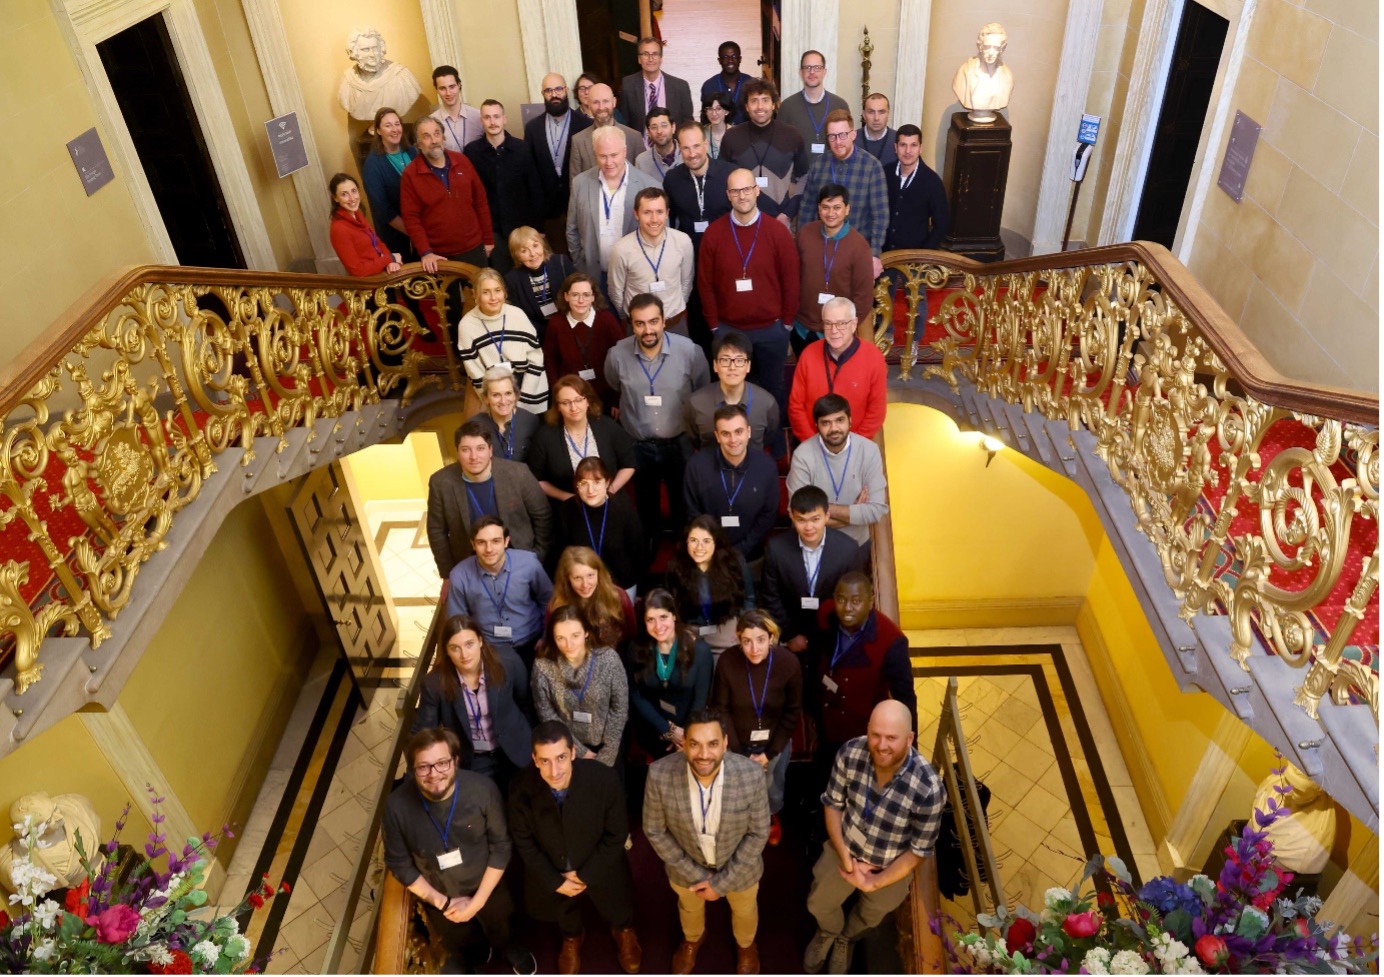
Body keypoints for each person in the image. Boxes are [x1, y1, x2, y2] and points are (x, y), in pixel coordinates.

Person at [803, 701, 943, 976]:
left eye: (892, 737)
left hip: (890, 865)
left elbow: (918, 851)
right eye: (876, 735)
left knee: (872, 914)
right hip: (844, 848)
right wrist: (846, 859)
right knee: (818, 902)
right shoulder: (850, 752)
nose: (881, 745)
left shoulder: (928, 788)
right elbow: (832, 805)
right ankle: (829, 932)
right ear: (867, 729)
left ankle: (847, 938)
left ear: (909, 738)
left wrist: (874, 881)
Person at [382, 728, 535, 975]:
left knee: (502, 925)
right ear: (412, 770)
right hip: (440, 897)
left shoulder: (483, 789)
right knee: (459, 938)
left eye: (442, 763)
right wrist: (443, 902)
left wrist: (477, 902)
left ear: (455, 761)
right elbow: (399, 864)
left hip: (487, 886)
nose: (434, 774)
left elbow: (501, 846)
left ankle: (507, 946)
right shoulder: (396, 807)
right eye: (424, 767)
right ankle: (476, 953)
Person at [508, 721, 642, 975]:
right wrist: (556, 881)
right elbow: (524, 843)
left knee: (619, 901)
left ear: (573, 753)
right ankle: (572, 936)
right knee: (561, 908)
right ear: (534, 759)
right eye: (545, 761)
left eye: (560, 757)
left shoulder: (604, 779)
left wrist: (584, 875)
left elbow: (615, 836)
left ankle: (623, 928)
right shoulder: (519, 787)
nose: (554, 770)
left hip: (599, 862)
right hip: (553, 866)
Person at [642, 707, 769, 975]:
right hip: (685, 870)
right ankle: (693, 938)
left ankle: (746, 945)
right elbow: (654, 829)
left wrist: (721, 883)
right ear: (683, 744)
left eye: (712, 744)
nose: (703, 754)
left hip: (741, 870)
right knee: (689, 908)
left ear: (725, 742)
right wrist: (698, 875)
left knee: (745, 911)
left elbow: (758, 833)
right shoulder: (658, 774)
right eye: (695, 744)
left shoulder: (752, 775)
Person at [604, 293, 710, 537]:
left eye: (653, 322)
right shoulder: (617, 355)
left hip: (679, 442)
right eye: (640, 323)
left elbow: (701, 391)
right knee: (645, 506)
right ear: (632, 324)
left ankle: (684, 550)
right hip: (638, 445)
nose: (647, 330)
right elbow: (614, 384)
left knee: (683, 505)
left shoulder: (690, 352)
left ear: (664, 321)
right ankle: (649, 549)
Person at [696, 169, 800, 417]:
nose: (742, 196)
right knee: (733, 392)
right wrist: (713, 326)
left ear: (756, 191)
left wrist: (785, 324)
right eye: (735, 191)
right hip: (729, 330)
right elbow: (705, 284)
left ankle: (774, 444)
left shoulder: (777, 232)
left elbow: (791, 281)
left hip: (771, 330)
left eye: (746, 190)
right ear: (728, 195)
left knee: (774, 388)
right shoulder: (714, 234)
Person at [711, 611, 803, 840]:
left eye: (761, 640)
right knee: (738, 787)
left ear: (771, 637)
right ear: (738, 638)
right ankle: (742, 821)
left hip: (775, 742)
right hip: (737, 741)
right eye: (747, 641)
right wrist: (741, 753)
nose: (754, 648)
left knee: (772, 784)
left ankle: (772, 815)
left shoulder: (788, 663)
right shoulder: (727, 661)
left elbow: (792, 711)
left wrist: (769, 754)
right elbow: (721, 708)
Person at [413, 614, 533, 789]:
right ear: (446, 651)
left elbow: (526, 702)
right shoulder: (434, 683)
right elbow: (423, 733)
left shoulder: (507, 661)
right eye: (455, 648)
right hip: (472, 759)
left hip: (514, 748)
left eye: (469, 644)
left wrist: (529, 738)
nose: (464, 655)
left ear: (480, 641)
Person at [809, 572, 918, 763]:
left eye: (856, 601)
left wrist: (909, 752)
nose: (847, 608)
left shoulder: (891, 640)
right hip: (826, 724)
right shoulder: (826, 615)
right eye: (841, 600)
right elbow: (814, 659)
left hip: (862, 731)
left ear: (871, 602)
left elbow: (905, 699)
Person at [426, 420, 552, 576]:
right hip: (471, 568)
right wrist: (447, 575)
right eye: (466, 450)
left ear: (490, 450)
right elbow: (436, 531)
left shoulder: (519, 473)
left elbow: (543, 516)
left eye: (480, 449)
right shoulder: (440, 482)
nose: (474, 457)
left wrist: (536, 558)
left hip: (520, 561)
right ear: (457, 452)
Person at [761, 486, 863, 657]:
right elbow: (770, 596)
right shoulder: (776, 548)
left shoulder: (848, 549)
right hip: (790, 632)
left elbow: (853, 599)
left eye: (815, 519)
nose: (809, 527)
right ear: (792, 517)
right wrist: (790, 634)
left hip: (834, 634)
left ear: (827, 516)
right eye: (801, 520)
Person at [786, 393, 889, 550]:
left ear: (850, 420)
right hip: (815, 546)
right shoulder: (803, 454)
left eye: (839, 420)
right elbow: (799, 514)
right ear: (817, 425)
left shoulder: (869, 450)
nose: (834, 428)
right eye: (826, 423)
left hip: (857, 546)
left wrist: (823, 509)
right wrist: (853, 513)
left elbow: (876, 511)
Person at [447, 516, 554, 666]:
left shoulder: (529, 563)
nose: (489, 549)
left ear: (506, 541)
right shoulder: (459, 575)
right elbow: (457, 622)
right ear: (473, 544)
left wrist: (546, 637)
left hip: (533, 644)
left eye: (495, 541)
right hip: (489, 651)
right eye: (481, 542)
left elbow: (549, 601)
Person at [531, 605, 629, 768]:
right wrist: (580, 751)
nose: (569, 644)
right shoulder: (543, 667)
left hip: (609, 745)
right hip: (567, 749)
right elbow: (547, 714)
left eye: (575, 635)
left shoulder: (608, 659)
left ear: (586, 633)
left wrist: (608, 753)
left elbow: (620, 708)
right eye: (560, 638)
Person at [683, 404, 780, 561]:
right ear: (717, 436)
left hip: (752, 553)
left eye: (738, 432)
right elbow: (692, 511)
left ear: (748, 432)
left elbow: (768, 514)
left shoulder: (767, 466)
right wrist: (710, 547)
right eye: (726, 434)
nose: (733, 440)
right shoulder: (696, 465)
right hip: (708, 554)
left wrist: (742, 549)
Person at [566, 126, 661, 286]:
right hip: (594, 276)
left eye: (614, 155)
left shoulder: (649, 186)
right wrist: (580, 266)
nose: (609, 162)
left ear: (624, 151)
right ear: (594, 153)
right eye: (602, 156)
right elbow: (572, 229)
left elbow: (659, 234)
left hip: (636, 278)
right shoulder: (580, 184)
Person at [626, 588, 714, 758]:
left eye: (663, 617)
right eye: (650, 620)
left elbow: (701, 700)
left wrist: (684, 735)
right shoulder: (636, 649)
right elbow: (635, 694)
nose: (658, 626)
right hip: (653, 728)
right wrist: (668, 731)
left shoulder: (699, 651)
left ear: (674, 615)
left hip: (689, 732)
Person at [800, 111, 888, 277]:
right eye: (832, 136)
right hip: (822, 249)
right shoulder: (819, 165)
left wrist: (875, 254)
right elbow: (806, 209)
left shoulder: (872, 167)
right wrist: (803, 246)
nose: (838, 142)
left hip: (857, 250)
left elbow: (881, 215)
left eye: (842, 135)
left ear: (853, 134)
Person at [786, 300, 888, 443]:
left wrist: (852, 446)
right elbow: (796, 405)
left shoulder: (874, 358)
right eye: (828, 323)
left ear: (853, 324)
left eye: (841, 323)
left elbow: (876, 411)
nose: (834, 331)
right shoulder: (808, 354)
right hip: (812, 441)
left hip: (854, 444)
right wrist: (811, 443)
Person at [400, 115, 493, 272]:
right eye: (426, 136)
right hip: (438, 256)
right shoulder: (410, 174)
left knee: (479, 295)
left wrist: (488, 239)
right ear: (418, 144)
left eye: (437, 134)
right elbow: (411, 219)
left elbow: (480, 201)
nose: (434, 140)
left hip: (474, 247)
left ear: (443, 137)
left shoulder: (462, 161)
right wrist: (425, 252)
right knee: (449, 298)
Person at [793, 183, 876, 356]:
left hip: (836, 333)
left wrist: (843, 329)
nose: (831, 213)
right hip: (802, 326)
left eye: (837, 207)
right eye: (826, 207)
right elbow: (792, 276)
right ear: (819, 208)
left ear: (847, 209)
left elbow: (863, 297)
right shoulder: (805, 234)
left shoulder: (859, 246)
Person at [526, 375, 636, 502]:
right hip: (567, 507)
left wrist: (608, 492)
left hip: (610, 502)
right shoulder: (544, 436)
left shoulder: (608, 426)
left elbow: (629, 464)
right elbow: (536, 479)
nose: (573, 407)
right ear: (558, 407)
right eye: (566, 403)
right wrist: (570, 499)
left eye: (578, 400)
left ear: (588, 401)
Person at [464, 100, 543, 276]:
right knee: (502, 278)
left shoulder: (522, 148)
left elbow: (535, 190)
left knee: (529, 276)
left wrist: (539, 229)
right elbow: (471, 196)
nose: (492, 122)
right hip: (493, 231)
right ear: (481, 121)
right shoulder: (472, 152)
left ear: (504, 119)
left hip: (522, 228)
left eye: (496, 117)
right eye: (487, 117)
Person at [456, 268, 548, 413]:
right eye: (486, 292)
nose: (493, 297)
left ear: (504, 292)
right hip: (495, 391)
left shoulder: (517, 314)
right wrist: (493, 400)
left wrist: (525, 399)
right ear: (476, 295)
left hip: (529, 384)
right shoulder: (467, 325)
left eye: (497, 290)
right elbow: (474, 370)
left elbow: (536, 357)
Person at [719, 80, 809, 222]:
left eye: (765, 100)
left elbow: (804, 177)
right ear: (747, 106)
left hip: (781, 221)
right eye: (754, 101)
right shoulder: (731, 137)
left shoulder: (792, 135)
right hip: (743, 220)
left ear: (773, 104)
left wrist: (788, 213)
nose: (760, 107)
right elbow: (723, 179)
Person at [607, 188, 695, 331]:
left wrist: (673, 312)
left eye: (659, 212)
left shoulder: (683, 242)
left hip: (675, 323)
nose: (654, 219)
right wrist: (630, 316)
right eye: (647, 212)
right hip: (639, 326)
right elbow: (616, 292)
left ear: (667, 213)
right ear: (636, 214)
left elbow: (686, 282)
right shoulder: (621, 249)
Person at [666, 516, 755, 657]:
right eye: (693, 541)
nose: (699, 547)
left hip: (725, 628)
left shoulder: (734, 562)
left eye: (706, 541)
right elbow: (671, 605)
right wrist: (681, 630)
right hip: (692, 631)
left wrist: (743, 627)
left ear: (716, 542)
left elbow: (749, 598)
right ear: (686, 542)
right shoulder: (676, 566)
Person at [525, 73, 594, 251]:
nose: (554, 94)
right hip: (548, 213)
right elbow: (530, 174)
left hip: (579, 207)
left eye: (558, 89)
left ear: (566, 91)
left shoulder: (585, 125)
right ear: (543, 94)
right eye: (548, 90)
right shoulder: (532, 128)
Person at [558, 457, 646, 594]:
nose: (590, 490)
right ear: (577, 486)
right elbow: (561, 554)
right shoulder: (567, 511)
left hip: (620, 585)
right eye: (583, 483)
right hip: (583, 587)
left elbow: (638, 553)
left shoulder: (624, 510)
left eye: (597, 482)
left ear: (607, 482)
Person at [684, 330, 779, 453]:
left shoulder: (767, 403)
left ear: (748, 366)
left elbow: (768, 438)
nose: (732, 367)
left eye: (739, 360)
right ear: (715, 365)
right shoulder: (696, 403)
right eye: (725, 360)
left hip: (752, 469)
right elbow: (695, 439)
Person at [543, 273, 624, 406]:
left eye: (586, 295)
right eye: (575, 295)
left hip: (606, 394)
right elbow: (550, 361)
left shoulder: (606, 320)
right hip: (570, 397)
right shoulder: (556, 323)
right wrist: (557, 393)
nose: (581, 301)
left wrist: (617, 399)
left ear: (593, 297)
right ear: (566, 296)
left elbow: (621, 359)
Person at [548, 546, 637, 651]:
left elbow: (633, 635)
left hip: (615, 662)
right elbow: (552, 642)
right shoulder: (557, 605)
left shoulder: (618, 596)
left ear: (599, 573)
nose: (585, 584)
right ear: (567, 579)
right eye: (577, 578)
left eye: (590, 575)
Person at [665, 122, 735, 251]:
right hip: (688, 252)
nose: (692, 154)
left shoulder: (729, 175)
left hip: (725, 250)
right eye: (686, 148)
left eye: (696, 146)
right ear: (679, 148)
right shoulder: (672, 179)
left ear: (706, 144)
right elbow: (670, 220)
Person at [360, 108, 417, 262]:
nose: (394, 129)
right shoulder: (372, 166)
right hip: (395, 233)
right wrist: (413, 231)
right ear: (378, 130)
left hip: (420, 226)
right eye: (388, 126)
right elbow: (382, 209)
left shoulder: (412, 152)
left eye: (397, 124)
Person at [883, 124, 949, 251]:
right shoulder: (884, 173)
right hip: (883, 254)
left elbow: (942, 225)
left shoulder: (933, 182)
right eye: (903, 145)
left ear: (920, 148)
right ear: (895, 147)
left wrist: (922, 254)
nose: (908, 151)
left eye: (913, 145)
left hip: (914, 260)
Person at [776, 51, 849, 164]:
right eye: (807, 67)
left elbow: (847, 144)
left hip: (832, 175)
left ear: (824, 72)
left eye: (817, 68)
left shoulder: (840, 105)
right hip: (798, 177)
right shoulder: (787, 106)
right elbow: (780, 145)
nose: (812, 72)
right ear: (801, 72)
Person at [505, 226, 577, 340]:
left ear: (543, 245)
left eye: (535, 245)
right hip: (538, 334)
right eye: (524, 250)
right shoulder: (512, 280)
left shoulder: (562, 262)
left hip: (570, 326)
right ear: (516, 255)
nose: (532, 254)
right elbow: (520, 317)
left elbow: (578, 297)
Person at [338, 29, 422, 122]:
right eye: (365, 49)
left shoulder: (401, 75)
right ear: (354, 53)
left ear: (381, 48)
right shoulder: (348, 80)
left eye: (375, 48)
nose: (372, 54)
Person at [328, 173, 401, 277]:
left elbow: (378, 243)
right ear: (335, 198)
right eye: (344, 194)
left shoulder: (358, 215)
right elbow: (357, 270)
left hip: (382, 274)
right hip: (368, 285)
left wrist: (390, 262)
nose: (352, 198)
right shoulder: (338, 229)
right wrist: (390, 258)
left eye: (354, 191)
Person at [465, 366, 541, 464]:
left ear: (516, 395)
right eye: (496, 395)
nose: (503, 401)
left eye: (508, 393)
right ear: (486, 398)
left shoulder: (531, 421)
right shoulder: (473, 425)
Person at [619, 36, 695, 132]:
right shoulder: (628, 85)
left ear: (661, 58)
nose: (650, 59)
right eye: (645, 54)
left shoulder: (680, 87)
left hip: (672, 145)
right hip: (641, 145)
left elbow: (687, 124)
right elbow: (623, 123)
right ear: (639, 59)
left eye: (655, 54)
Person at [569, 85, 645, 178]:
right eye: (596, 102)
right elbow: (575, 185)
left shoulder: (634, 137)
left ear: (614, 102)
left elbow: (642, 180)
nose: (601, 107)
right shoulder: (578, 141)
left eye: (605, 101)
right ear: (589, 104)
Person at [952, 23, 1014, 118]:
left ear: (1002, 49)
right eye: (987, 47)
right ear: (980, 46)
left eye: (996, 48)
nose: (990, 53)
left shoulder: (1007, 76)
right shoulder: (965, 71)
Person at [429, 65, 482, 154]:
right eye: (442, 88)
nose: (448, 93)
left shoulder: (478, 116)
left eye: (452, 86)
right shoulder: (431, 122)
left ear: (459, 86)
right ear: (436, 90)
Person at [700, 41, 755, 125]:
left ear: (740, 59)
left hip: (748, 134)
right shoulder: (709, 85)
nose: (730, 61)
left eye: (734, 56)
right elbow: (705, 117)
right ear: (719, 60)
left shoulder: (751, 83)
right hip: (719, 135)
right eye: (725, 57)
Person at [635, 108, 683, 182]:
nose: (659, 131)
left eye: (664, 125)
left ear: (673, 127)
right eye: (654, 127)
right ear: (649, 132)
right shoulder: (641, 161)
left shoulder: (687, 154)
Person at [856, 93, 897, 167]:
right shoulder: (852, 139)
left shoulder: (898, 140)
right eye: (871, 112)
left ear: (888, 114)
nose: (876, 118)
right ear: (864, 114)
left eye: (881, 112)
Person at [700, 92, 735, 161]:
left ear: (727, 111)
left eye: (719, 109)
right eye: (710, 109)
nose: (714, 113)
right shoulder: (700, 134)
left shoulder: (737, 133)